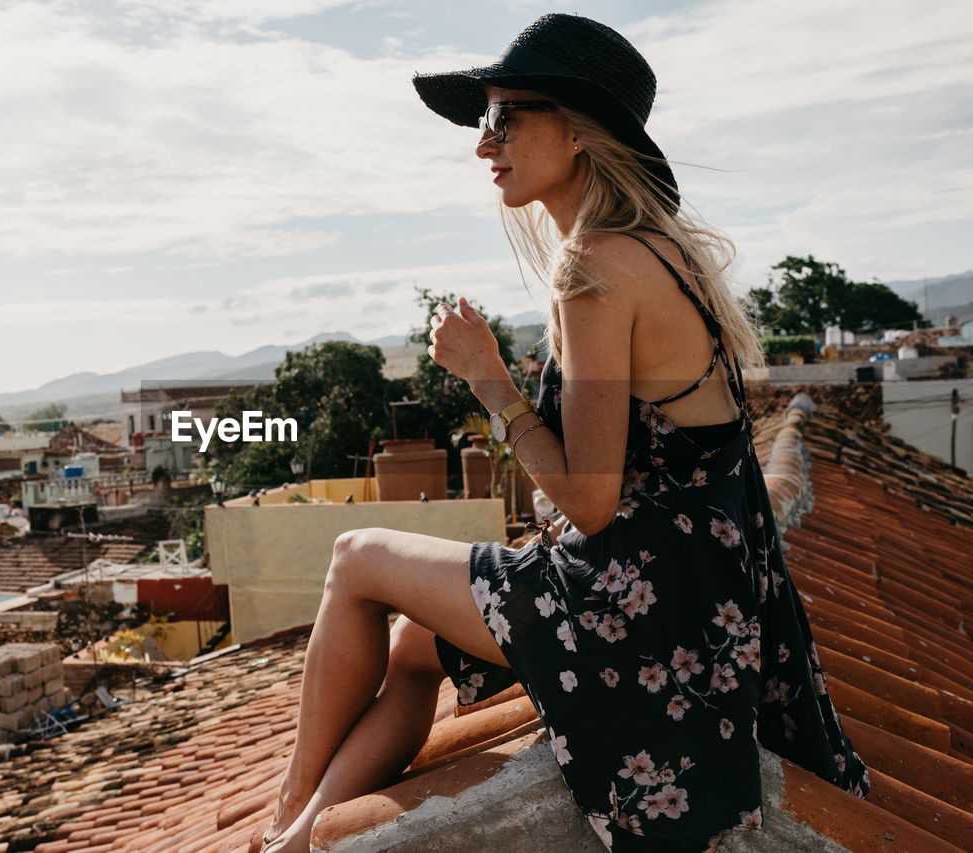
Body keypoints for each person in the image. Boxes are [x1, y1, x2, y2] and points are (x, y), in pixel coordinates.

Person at [262, 13, 868, 853]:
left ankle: (283, 812)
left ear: (577, 131)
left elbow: (587, 499)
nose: (485, 142)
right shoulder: (656, 248)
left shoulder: (593, 266)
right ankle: (297, 833)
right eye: (485, 119)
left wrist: (490, 383)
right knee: (410, 647)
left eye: (506, 116)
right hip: (699, 603)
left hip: (638, 612)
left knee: (354, 557)